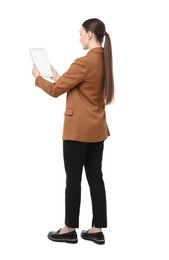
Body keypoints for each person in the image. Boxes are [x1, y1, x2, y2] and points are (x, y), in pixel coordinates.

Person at [32, 18, 114, 245]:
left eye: (80, 33)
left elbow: (55, 91)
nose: (79, 38)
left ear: (89, 34)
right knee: (96, 179)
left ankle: (69, 229)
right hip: (97, 130)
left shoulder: (83, 61)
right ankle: (96, 229)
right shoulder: (105, 60)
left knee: (73, 180)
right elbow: (83, 87)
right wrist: (61, 77)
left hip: (77, 132)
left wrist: (38, 78)